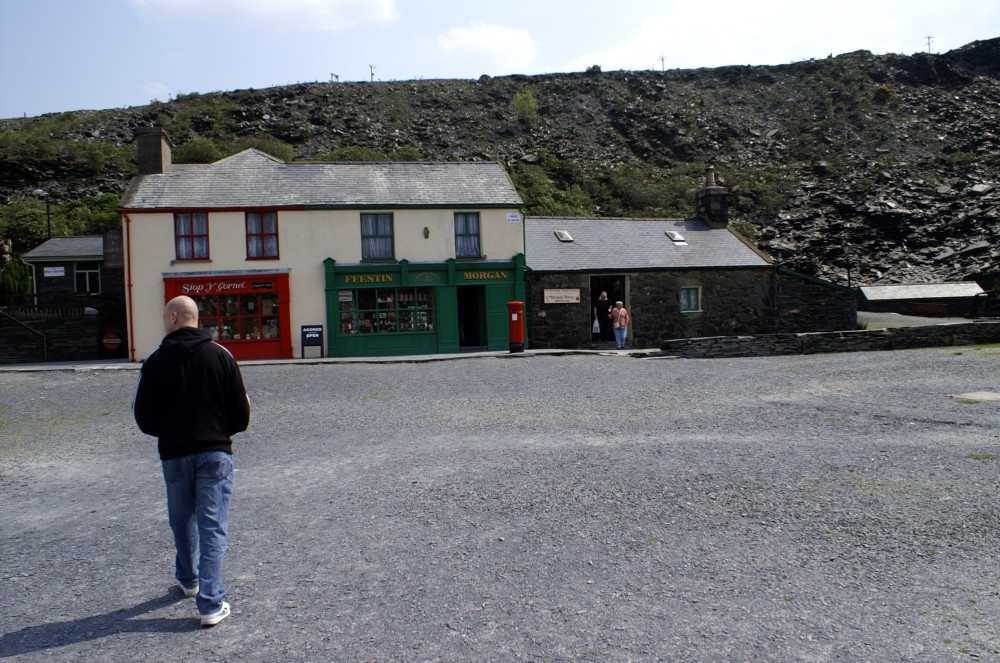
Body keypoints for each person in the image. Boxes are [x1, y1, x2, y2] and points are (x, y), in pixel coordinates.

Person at [133, 295, 250, 627]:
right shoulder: (221, 355)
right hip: (214, 451)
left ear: (173, 317)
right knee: (212, 524)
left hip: (174, 453)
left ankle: (189, 578)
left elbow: (143, 418)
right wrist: (218, 431)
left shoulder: (155, 362)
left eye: (162, 316)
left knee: (181, 518)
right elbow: (241, 414)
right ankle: (211, 602)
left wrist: (169, 432)